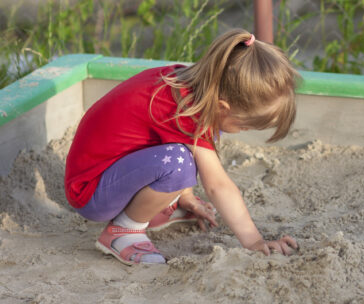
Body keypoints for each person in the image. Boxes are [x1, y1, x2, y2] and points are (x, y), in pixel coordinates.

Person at [64, 28, 300, 265]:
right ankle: (124, 231)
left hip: (108, 171)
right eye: (244, 126)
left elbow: (165, 139)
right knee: (179, 163)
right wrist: (254, 242)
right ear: (223, 107)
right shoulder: (181, 112)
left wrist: (184, 195)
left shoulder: (190, 89)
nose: (243, 132)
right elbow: (218, 186)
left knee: (184, 158)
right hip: (91, 191)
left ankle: (156, 206)